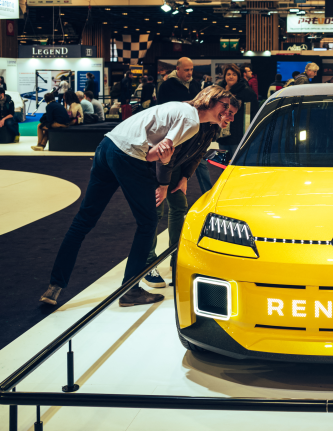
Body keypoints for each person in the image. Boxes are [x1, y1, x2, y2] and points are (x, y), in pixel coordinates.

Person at [38, 86, 236, 307]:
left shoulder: (180, 109)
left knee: (84, 220)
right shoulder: (191, 123)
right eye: (225, 106)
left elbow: (155, 149)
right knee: (149, 220)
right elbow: (159, 153)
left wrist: (161, 159)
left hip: (106, 147)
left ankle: (54, 287)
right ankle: (130, 291)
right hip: (127, 156)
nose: (228, 113)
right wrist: (164, 167)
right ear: (210, 100)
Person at [143, 95, 240, 288]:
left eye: (233, 114)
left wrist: (185, 176)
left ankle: (175, 257)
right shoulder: (189, 117)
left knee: (179, 207)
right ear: (215, 106)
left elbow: (199, 153)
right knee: (156, 210)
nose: (231, 119)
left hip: (174, 165)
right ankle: (147, 265)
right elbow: (167, 151)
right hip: (155, 164)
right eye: (229, 113)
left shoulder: (211, 126)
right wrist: (163, 184)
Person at [217, 64, 258, 158]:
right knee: (223, 166)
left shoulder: (247, 92)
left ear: (238, 77)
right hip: (222, 137)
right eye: (228, 74)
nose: (231, 76)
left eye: (234, 74)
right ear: (224, 76)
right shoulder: (218, 92)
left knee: (238, 164)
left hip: (239, 136)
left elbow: (254, 114)